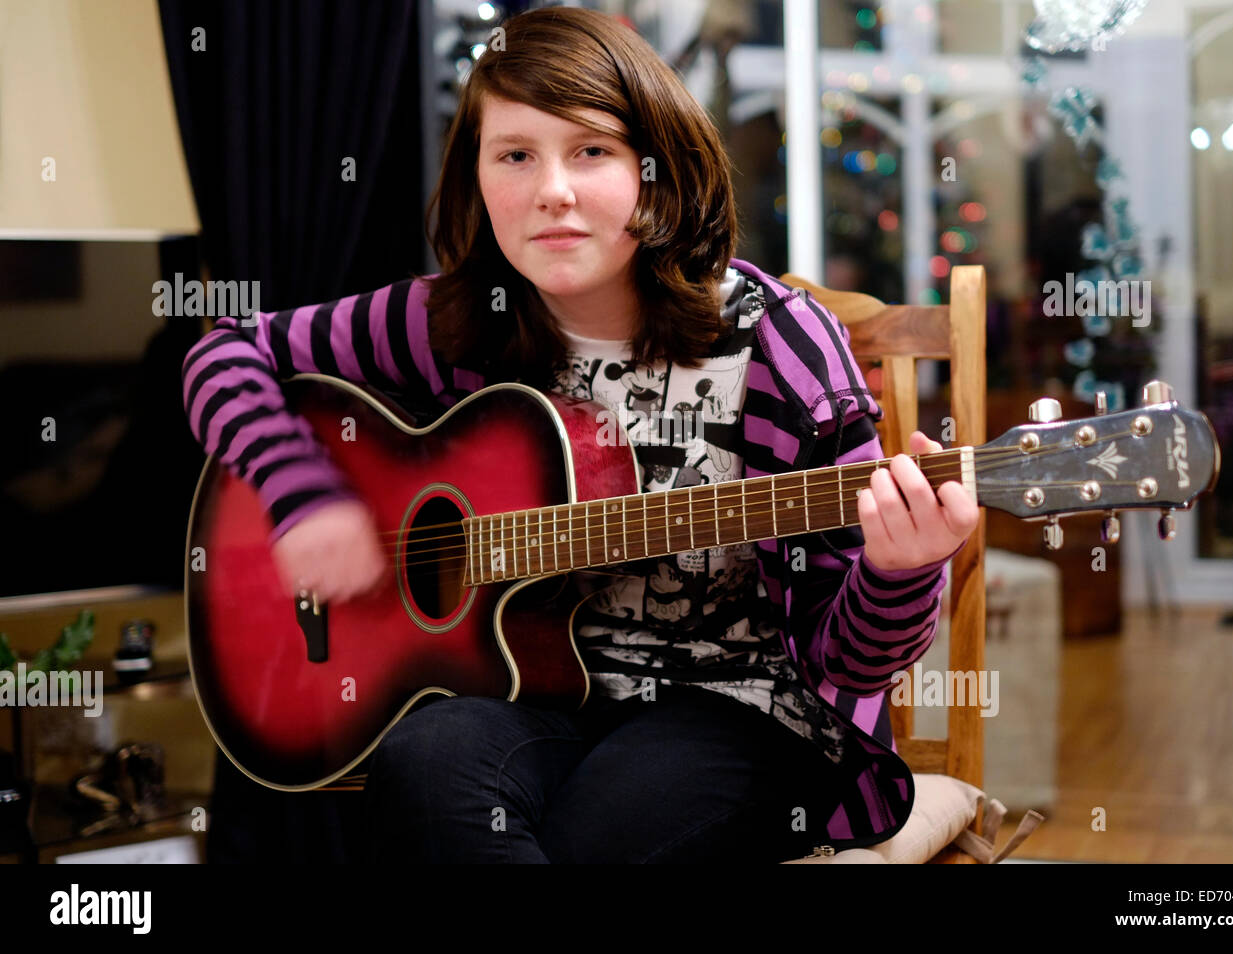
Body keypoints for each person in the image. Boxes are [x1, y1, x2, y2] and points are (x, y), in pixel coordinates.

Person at [180, 5, 978, 864]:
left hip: (747, 709)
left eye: (590, 151)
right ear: (477, 178)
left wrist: (901, 572)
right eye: (515, 155)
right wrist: (303, 497)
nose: (550, 190)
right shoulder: (454, 319)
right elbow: (226, 351)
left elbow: (850, 664)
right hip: (533, 694)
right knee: (421, 764)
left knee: (595, 835)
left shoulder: (779, 345)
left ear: (655, 169)